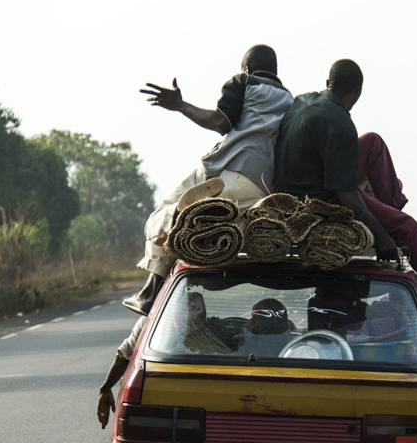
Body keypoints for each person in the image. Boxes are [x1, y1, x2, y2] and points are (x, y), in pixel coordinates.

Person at [274, 59, 417, 330]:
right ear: (357, 92)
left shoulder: (303, 101)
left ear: (328, 82)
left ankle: (392, 213)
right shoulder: (340, 122)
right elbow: (346, 194)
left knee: (372, 144)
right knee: (408, 227)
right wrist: (381, 234)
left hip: (294, 188)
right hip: (321, 201)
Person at [126, 44, 294, 314]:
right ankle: (191, 223)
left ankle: (152, 285)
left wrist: (180, 105)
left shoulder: (244, 82)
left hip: (226, 171)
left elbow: (221, 122)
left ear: (247, 68)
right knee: (211, 224)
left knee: (160, 216)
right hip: (261, 188)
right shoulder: (290, 101)